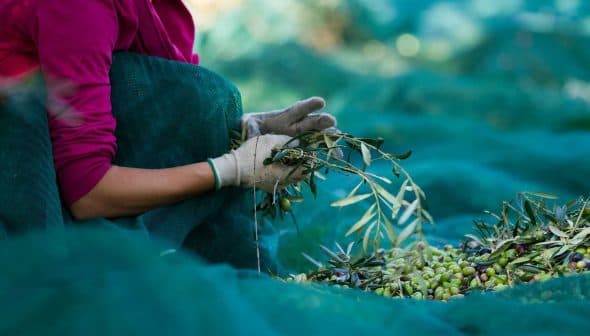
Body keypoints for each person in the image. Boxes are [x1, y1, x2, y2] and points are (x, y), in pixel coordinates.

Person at [0, 0, 337, 223]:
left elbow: (161, 105)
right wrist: (230, 169)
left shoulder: (153, 8)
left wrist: (239, 130)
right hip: (22, 188)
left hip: (53, 148)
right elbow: (87, 192)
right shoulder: (79, 8)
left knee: (200, 95)